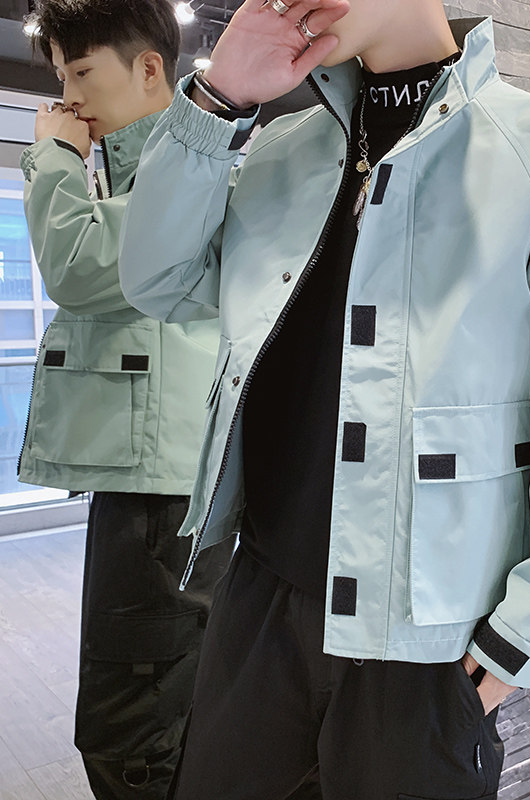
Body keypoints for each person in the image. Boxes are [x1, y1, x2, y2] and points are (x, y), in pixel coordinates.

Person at [119, 1, 530, 797]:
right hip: (259, 604)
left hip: (428, 642)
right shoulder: (279, 148)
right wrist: (218, 101)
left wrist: (526, 629)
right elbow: (155, 279)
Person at [18, 1, 234, 797]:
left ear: (149, 69)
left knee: (130, 733)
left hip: (163, 495)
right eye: (60, 77)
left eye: (81, 71)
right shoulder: (149, 169)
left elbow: (77, 266)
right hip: (156, 485)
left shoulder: (187, 173)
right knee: (154, 718)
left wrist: (52, 160)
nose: (68, 98)